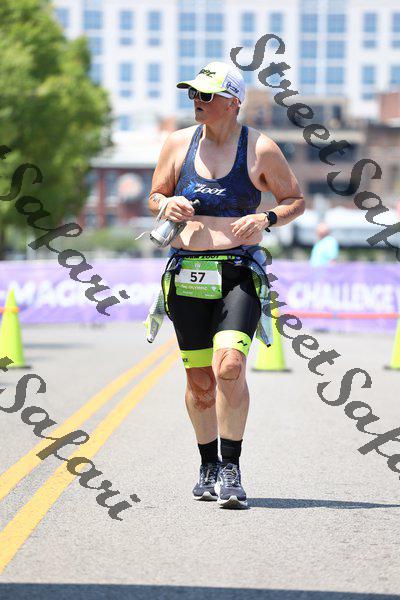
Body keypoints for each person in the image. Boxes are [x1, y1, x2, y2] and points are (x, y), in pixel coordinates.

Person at [147, 61, 305, 508]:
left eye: (206, 95)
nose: (196, 101)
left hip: (237, 273)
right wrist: (166, 204)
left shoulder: (261, 149)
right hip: (187, 274)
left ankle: (231, 468)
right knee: (200, 381)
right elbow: (154, 195)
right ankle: (208, 465)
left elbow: (295, 200)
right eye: (192, 94)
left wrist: (266, 217)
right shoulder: (177, 143)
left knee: (229, 366)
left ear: (233, 101)